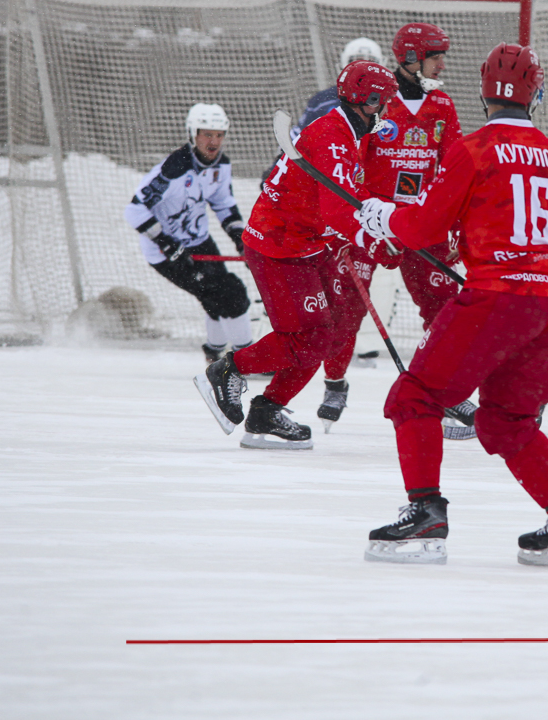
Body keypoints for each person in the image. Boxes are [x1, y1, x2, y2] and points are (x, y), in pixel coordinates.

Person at [356, 43, 548, 567]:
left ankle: (425, 510)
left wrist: (381, 216)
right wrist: (528, 274)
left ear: (485, 93)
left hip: (495, 298)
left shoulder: (474, 149)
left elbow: (423, 227)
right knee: (507, 422)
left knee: (414, 398)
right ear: (534, 94)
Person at [193, 61, 400, 450]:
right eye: (383, 103)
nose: (386, 111)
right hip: (279, 246)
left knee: (324, 333)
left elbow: (348, 195)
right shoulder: (332, 137)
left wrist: (385, 227)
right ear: (368, 101)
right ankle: (227, 371)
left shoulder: (348, 133)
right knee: (308, 339)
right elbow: (339, 211)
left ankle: (266, 412)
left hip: (307, 243)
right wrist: (374, 241)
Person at [307, 23, 466, 428]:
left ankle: (439, 388)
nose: (442, 64)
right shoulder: (377, 101)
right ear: (411, 57)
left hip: (422, 222)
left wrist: (455, 221)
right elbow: (353, 163)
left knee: (444, 309)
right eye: (435, 56)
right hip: (373, 219)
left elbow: (453, 167)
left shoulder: (442, 104)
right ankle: (335, 382)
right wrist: (363, 221)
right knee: (347, 310)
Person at [125, 103, 255, 363]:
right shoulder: (173, 170)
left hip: (200, 242)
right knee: (230, 293)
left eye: (219, 135)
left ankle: (214, 352)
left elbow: (223, 203)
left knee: (217, 297)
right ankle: (249, 358)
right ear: (192, 135)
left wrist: (241, 241)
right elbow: (134, 210)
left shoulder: (221, 166)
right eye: (207, 134)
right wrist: (165, 242)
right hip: (166, 253)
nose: (214, 141)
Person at [293, 37, 384, 136]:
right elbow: (298, 136)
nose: (363, 70)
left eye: (370, 63)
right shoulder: (323, 100)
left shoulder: (390, 101)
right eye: (356, 63)